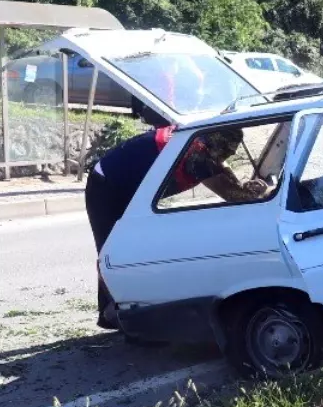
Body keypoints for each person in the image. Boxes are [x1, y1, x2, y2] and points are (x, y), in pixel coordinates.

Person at [86, 126, 267, 329]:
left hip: (128, 183)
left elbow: (223, 172)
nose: (226, 156)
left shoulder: (201, 141)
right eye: (225, 152)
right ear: (212, 146)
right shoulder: (197, 158)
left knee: (140, 248)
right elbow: (232, 195)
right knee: (113, 250)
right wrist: (256, 193)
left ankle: (131, 314)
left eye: (230, 153)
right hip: (107, 185)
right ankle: (114, 316)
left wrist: (245, 187)